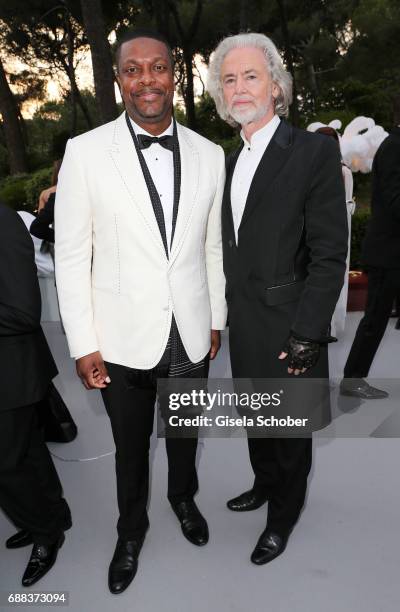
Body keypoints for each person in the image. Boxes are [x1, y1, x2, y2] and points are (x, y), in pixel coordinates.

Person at [54, 29, 227, 594]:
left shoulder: (209, 153)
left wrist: (215, 317)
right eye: (134, 70)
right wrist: (83, 343)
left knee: (184, 430)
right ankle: (131, 531)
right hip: (121, 337)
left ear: (172, 75)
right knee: (130, 448)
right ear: (119, 80)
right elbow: (72, 256)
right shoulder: (84, 151)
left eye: (158, 67)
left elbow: (211, 248)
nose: (147, 79)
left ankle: (183, 497)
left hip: (191, 332)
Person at [208, 32, 347, 565]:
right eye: (229, 79)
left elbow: (330, 252)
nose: (240, 88)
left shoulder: (311, 151)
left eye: (250, 76)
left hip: (291, 323)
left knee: (289, 433)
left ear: (276, 86)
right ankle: (264, 484)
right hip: (245, 322)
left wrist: (309, 330)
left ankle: (282, 517)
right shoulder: (225, 159)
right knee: (256, 418)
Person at [0, 203, 72, 587]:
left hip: (12, 370)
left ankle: (46, 533)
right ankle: (53, 517)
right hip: (13, 374)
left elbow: (23, 312)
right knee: (27, 450)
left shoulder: (3, 221)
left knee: (8, 464)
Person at [340, 83, 400, 398]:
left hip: (399, 253)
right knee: (375, 320)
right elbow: (398, 203)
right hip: (390, 255)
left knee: (377, 319)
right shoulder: (396, 147)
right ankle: (352, 379)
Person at [315, 126, 355, 337]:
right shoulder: (310, 169)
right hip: (315, 232)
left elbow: (347, 205)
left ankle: (330, 322)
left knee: (335, 275)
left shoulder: (343, 171)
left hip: (337, 232)